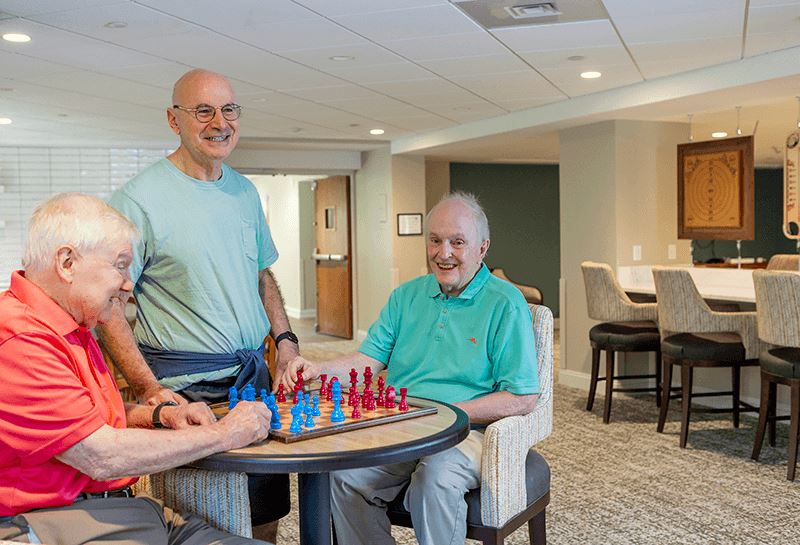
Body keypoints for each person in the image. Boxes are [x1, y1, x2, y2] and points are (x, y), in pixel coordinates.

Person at [98, 68, 303, 541]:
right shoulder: (138, 200)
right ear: (174, 120)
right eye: (203, 110)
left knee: (264, 513)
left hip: (253, 380)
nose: (219, 122)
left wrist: (286, 343)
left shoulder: (244, 192)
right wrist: (148, 388)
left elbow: (262, 275)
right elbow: (108, 303)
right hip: (188, 390)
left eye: (229, 109)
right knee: (207, 526)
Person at [0, 193, 271, 545]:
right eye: (120, 264)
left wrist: (159, 417)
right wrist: (227, 434)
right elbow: (100, 454)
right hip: (59, 523)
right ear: (67, 262)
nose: (129, 282)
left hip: (123, 511)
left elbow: (84, 420)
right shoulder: (21, 338)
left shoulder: (66, 322)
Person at [279, 192, 541, 545]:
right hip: (401, 427)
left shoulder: (505, 304)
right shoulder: (405, 297)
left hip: (469, 433)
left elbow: (522, 397)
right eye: (435, 240)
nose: (443, 253)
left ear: (482, 248)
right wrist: (317, 369)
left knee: (435, 478)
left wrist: (447, 415)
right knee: (346, 478)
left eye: (457, 242)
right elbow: (366, 362)